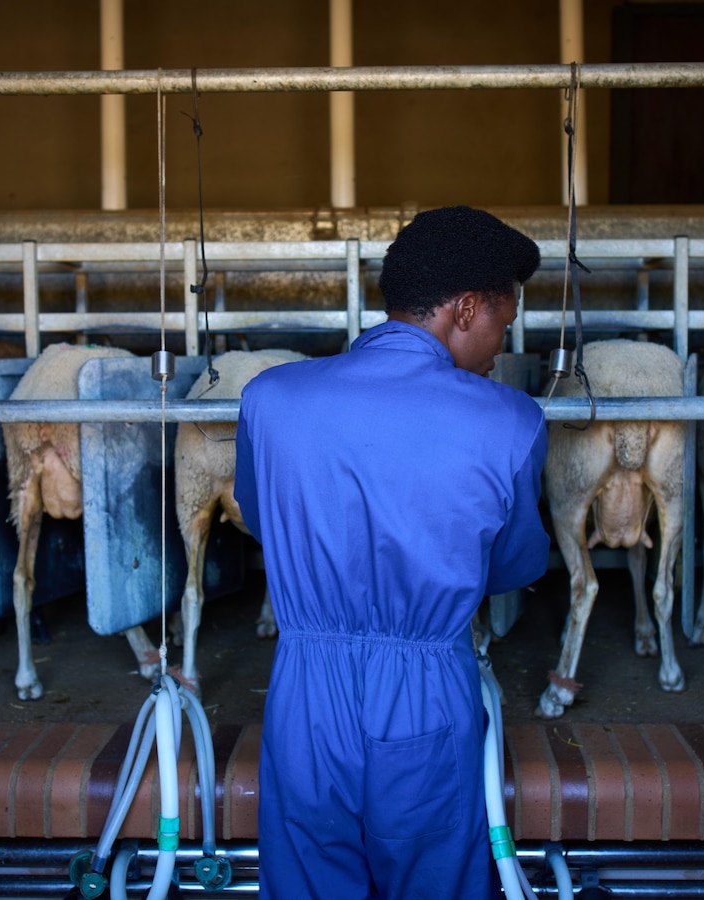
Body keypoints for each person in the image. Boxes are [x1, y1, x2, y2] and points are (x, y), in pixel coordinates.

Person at [235, 205, 551, 898]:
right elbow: (515, 565)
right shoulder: (510, 420)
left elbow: (263, 522)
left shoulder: (269, 399)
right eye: (503, 322)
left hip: (303, 696)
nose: (501, 344)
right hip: (427, 693)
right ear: (466, 309)